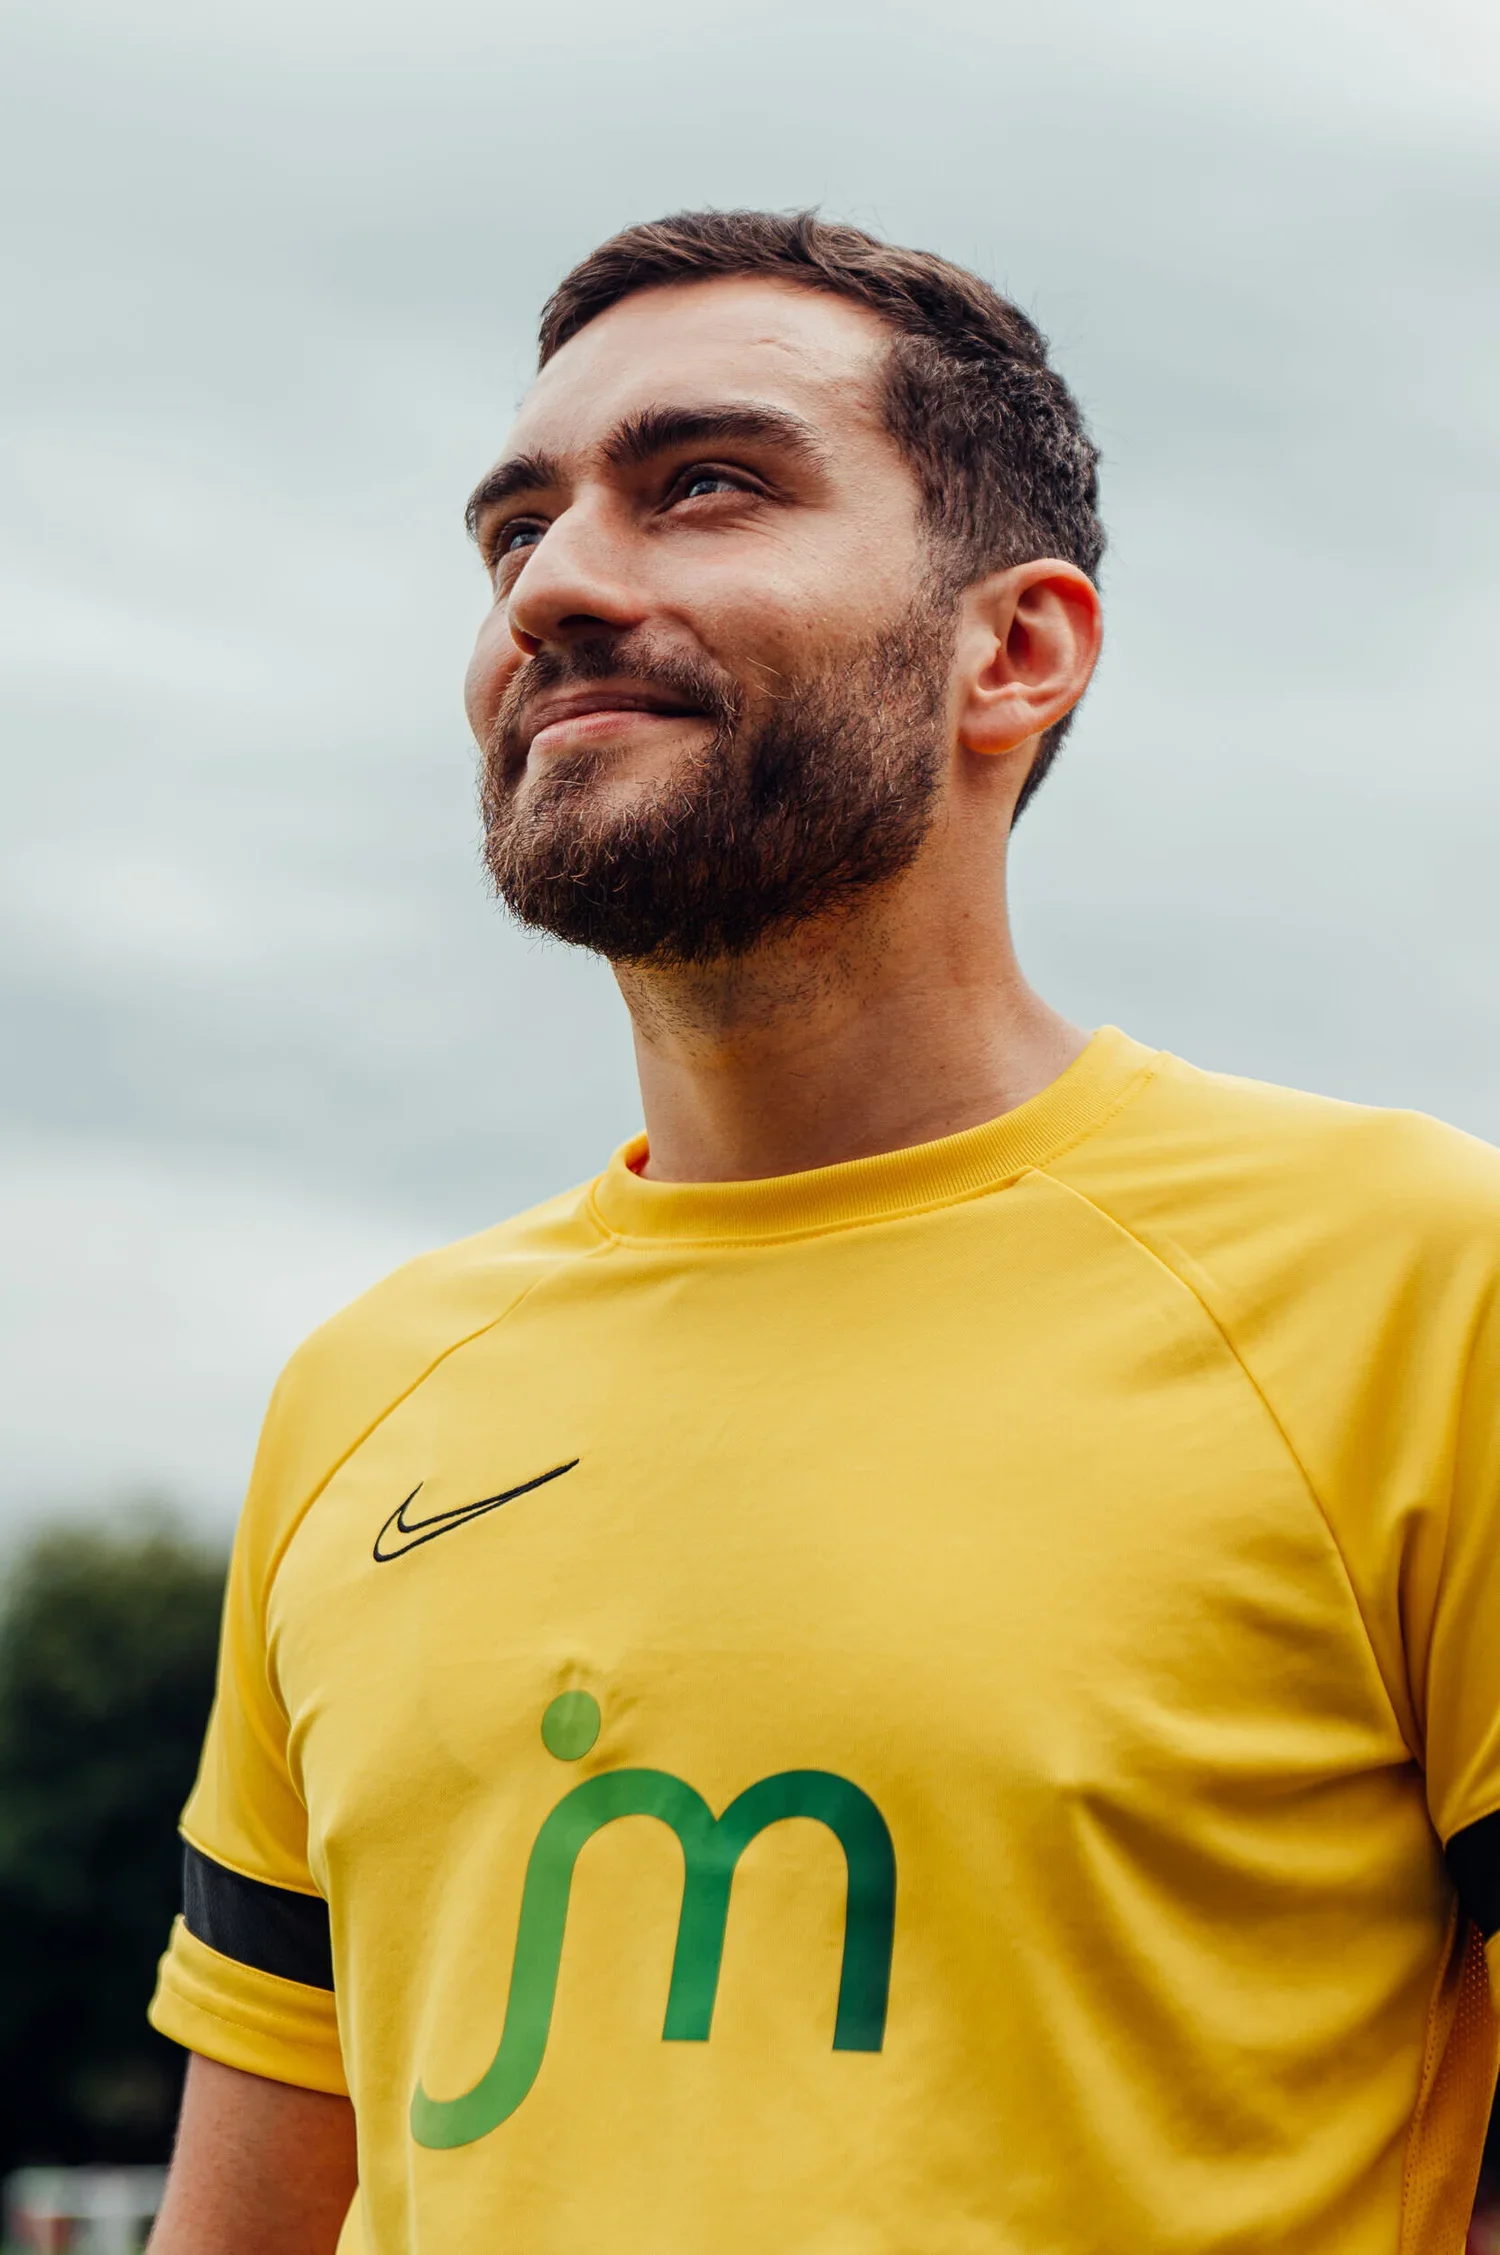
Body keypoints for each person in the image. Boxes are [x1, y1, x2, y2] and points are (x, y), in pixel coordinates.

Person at [146, 211, 1500, 2255]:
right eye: (517, 530)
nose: (562, 586)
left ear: (1015, 650)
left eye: (705, 485)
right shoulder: (366, 1389)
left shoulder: (1416, 1278)